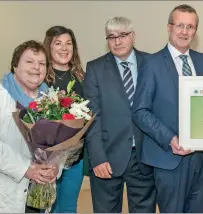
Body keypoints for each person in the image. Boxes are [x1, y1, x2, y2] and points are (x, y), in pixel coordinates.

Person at [132, 4, 203, 213]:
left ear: (195, 31)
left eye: (190, 27)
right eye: (180, 25)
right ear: (169, 27)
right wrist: (171, 139)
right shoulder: (151, 63)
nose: (184, 31)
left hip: (201, 160)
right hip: (169, 158)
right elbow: (140, 111)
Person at [83, 17, 156, 213]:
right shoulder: (94, 68)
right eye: (112, 36)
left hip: (144, 157)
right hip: (107, 157)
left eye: (123, 35)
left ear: (133, 36)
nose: (117, 41)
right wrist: (97, 158)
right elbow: (91, 117)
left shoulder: (151, 63)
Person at [0, 40, 58, 213]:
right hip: (1, 191)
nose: (36, 67)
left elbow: (59, 143)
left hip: (38, 190)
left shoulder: (51, 100)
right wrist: (25, 169)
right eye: (29, 62)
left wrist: (55, 167)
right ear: (15, 66)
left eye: (42, 63)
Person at [43, 25, 86, 213]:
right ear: (48, 48)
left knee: (68, 207)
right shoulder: (40, 78)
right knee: (47, 206)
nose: (64, 48)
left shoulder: (83, 78)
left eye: (69, 43)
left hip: (75, 157)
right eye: (58, 43)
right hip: (46, 158)